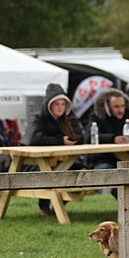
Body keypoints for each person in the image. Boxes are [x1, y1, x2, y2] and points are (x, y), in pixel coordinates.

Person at [29, 83, 83, 215]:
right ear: (50, 105)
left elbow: (81, 136)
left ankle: (58, 205)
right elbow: (35, 139)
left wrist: (71, 140)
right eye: (57, 104)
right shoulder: (39, 118)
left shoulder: (70, 118)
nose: (60, 107)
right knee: (48, 172)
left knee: (80, 172)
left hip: (65, 160)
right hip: (38, 162)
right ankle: (44, 204)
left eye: (62, 104)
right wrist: (60, 140)